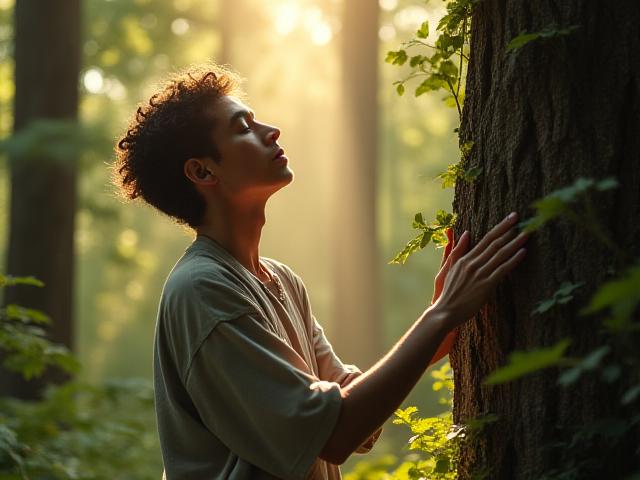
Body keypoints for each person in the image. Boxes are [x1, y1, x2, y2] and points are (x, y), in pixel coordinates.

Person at [112, 64, 528, 480]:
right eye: (243, 128)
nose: (271, 130)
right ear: (203, 171)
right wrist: (442, 315)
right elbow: (334, 433)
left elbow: (355, 413)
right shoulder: (202, 289)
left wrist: (440, 321)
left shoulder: (281, 280)